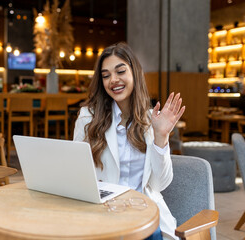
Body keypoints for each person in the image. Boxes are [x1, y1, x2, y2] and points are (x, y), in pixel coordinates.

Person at [73, 42, 185, 240]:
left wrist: (161, 136)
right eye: (106, 75)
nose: (113, 80)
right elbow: (76, 173)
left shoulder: (153, 120)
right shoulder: (87, 118)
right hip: (102, 212)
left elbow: (159, 184)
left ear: (135, 73)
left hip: (142, 212)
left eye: (120, 71)